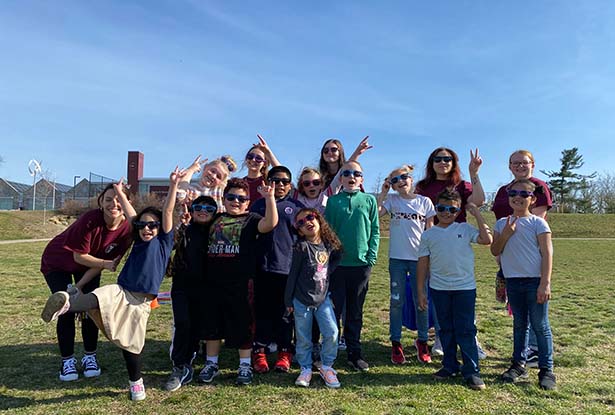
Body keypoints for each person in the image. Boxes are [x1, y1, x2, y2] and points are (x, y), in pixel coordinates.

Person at [42, 169, 181, 400]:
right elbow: (129, 214)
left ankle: (136, 383)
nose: (147, 228)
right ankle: (65, 304)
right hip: (121, 290)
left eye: (152, 225)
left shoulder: (164, 242)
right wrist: (119, 192)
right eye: (143, 225)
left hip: (141, 302)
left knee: (132, 345)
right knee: (97, 296)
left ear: (161, 228)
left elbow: (167, 210)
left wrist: (173, 185)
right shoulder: (135, 238)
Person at [40, 182, 133, 381]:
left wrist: (79, 287)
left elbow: (101, 264)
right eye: (108, 200)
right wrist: (105, 264)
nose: (113, 205)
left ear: (127, 203)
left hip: (90, 267)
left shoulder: (127, 230)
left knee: (92, 306)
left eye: (118, 200)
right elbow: (79, 257)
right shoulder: (90, 219)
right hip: (57, 261)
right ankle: (67, 361)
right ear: (101, 202)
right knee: (66, 307)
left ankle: (90, 356)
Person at [198, 178, 278, 386]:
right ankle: (211, 363)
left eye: (241, 198)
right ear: (224, 199)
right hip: (213, 282)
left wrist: (269, 198)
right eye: (231, 197)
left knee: (243, 324)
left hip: (242, 283)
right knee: (212, 325)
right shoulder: (215, 219)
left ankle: (244, 365)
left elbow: (270, 224)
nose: (236, 201)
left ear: (248, 201)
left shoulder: (252, 219)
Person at [416, 189, 492, 390]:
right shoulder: (429, 234)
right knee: (445, 329)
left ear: (458, 211)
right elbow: (423, 263)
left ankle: (472, 371)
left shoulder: (465, 229)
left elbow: (486, 240)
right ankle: (449, 366)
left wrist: (477, 213)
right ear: (436, 208)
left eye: (451, 209)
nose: (446, 212)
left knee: (466, 330)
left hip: (464, 288)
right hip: (439, 289)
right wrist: (421, 290)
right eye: (441, 208)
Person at [415, 147, 486, 358]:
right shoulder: (423, 186)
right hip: (432, 241)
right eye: (438, 159)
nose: (443, 162)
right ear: (431, 162)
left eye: (447, 159)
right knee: (438, 289)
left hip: (458, 242)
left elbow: (479, 200)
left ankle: (470, 338)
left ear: (454, 162)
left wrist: (474, 173)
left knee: (462, 290)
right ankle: (440, 336)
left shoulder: (461, 185)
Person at [491, 179, 556, 390]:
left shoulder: (538, 223)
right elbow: (495, 250)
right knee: (520, 325)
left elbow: (547, 254)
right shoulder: (502, 223)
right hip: (513, 282)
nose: (517, 197)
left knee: (540, 325)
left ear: (532, 199)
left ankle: (546, 369)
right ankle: (518, 364)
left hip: (534, 282)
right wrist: (507, 234)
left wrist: (545, 283)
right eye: (513, 194)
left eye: (523, 194)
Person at [377, 164, 436, 364]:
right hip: (397, 260)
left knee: (421, 301)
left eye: (404, 177)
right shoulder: (392, 200)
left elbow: (430, 230)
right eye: (395, 180)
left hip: (419, 260)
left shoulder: (424, 202)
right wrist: (383, 192)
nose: (401, 182)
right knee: (396, 302)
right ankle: (396, 343)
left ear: (411, 180)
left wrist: (429, 257)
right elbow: (375, 214)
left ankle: (422, 341)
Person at [325, 160, 380, 371]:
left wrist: (371, 256)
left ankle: (354, 353)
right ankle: (328, 353)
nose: (351, 177)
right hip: (338, 265)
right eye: (346, 173)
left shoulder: (369, 200)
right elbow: (327, 231)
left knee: (355, 311)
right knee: (334, 310)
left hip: (361, 264)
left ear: (361, 179)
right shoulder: (333, 201)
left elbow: (374, 230)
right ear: (341, 178)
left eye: (356, 173)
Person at [250, 166, 304, 374]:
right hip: (262, 267)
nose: (280, 185)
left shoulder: (296, 207)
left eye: (284, 181)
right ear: (267, 182)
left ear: (290, 185)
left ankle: (284, 351)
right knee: (262, 311)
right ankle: (260, 351)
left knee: (285, 313)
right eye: (275, 180)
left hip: (287, 269)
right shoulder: (258, 205)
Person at [164, 195, 218, 392]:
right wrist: (181, 224)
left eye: (209, 208)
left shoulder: (218, 232)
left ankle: (190, 358)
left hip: (208, 287)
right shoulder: (184, 229)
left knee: (197, 326)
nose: (203, 211)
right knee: (183, 323)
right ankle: (179, 365)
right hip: (182, 286)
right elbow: (169, 237)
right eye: (199, 207)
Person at [285, 208, 343, 388]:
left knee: (332, 332)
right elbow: (292, 275)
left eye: (310, 217)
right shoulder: (301, 247)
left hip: (323, 299)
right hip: (301, 300)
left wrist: (327, 273)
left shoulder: (328, 245)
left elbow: (335, 259)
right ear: (299, 230)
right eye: (301, 222)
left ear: (318, 220)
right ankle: (305, 369)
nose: (307, 223)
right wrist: (288, 301)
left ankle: (327, 367)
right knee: (303, 338)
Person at [242, 134, 281, 208]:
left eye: (258, 158)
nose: (253, 160)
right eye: (250, 157)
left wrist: (268, 152)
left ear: (264, 163)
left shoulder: (268, 181)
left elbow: (282, 172)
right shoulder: (241, 182)